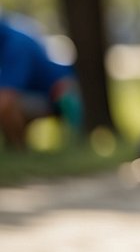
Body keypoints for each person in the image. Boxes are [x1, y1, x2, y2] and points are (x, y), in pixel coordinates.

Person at [0, 13, 83, 150]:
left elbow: (6, 97)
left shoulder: (16, 44)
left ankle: (19, 150)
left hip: (56, 96)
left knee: (6, 104)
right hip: (33, 94)